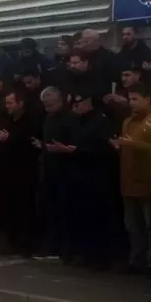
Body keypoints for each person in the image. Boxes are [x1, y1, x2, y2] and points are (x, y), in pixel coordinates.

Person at [59, 88, 117, 269]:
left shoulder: (101, 121)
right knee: (79, 216)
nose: (76, 107)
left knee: (96, 218)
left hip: (96, 176)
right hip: (76, 175)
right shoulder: (74, 121)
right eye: (74, 104)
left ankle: (99, 257)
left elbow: (105, 149)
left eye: (79, 103)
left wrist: (77, 150)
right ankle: (81, 252)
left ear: (89, 102)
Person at [113, 85, 151, 276]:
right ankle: (136, 260)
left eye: (135, 99)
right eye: (130, 99)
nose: (131, 103)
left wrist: (134, 144)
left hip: (149, 180)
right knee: (133, 225)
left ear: (148, 100)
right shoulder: (127, 121)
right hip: (128, 180)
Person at [0, 89, 41, 257]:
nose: (7, 106)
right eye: (6, 103)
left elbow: (30, 147)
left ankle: (28, 244)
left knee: (25, 209)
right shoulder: (7, 121)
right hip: (7, 173)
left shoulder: (30, 122)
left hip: (25, 174)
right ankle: (12, 241)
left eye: (10, 103)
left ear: (20, 104)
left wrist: (10, 139)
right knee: (9, 209)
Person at [36, 86, 72, 260]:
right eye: (44, 102)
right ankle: (51, 245)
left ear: (59, 100)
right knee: (48, 210)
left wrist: (59, 148)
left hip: (64, 171)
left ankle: (65, 248)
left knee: (64, 211)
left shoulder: (69, 118)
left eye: (49, 101)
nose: (46, 104)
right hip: (48, 169)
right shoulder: (47, 119)